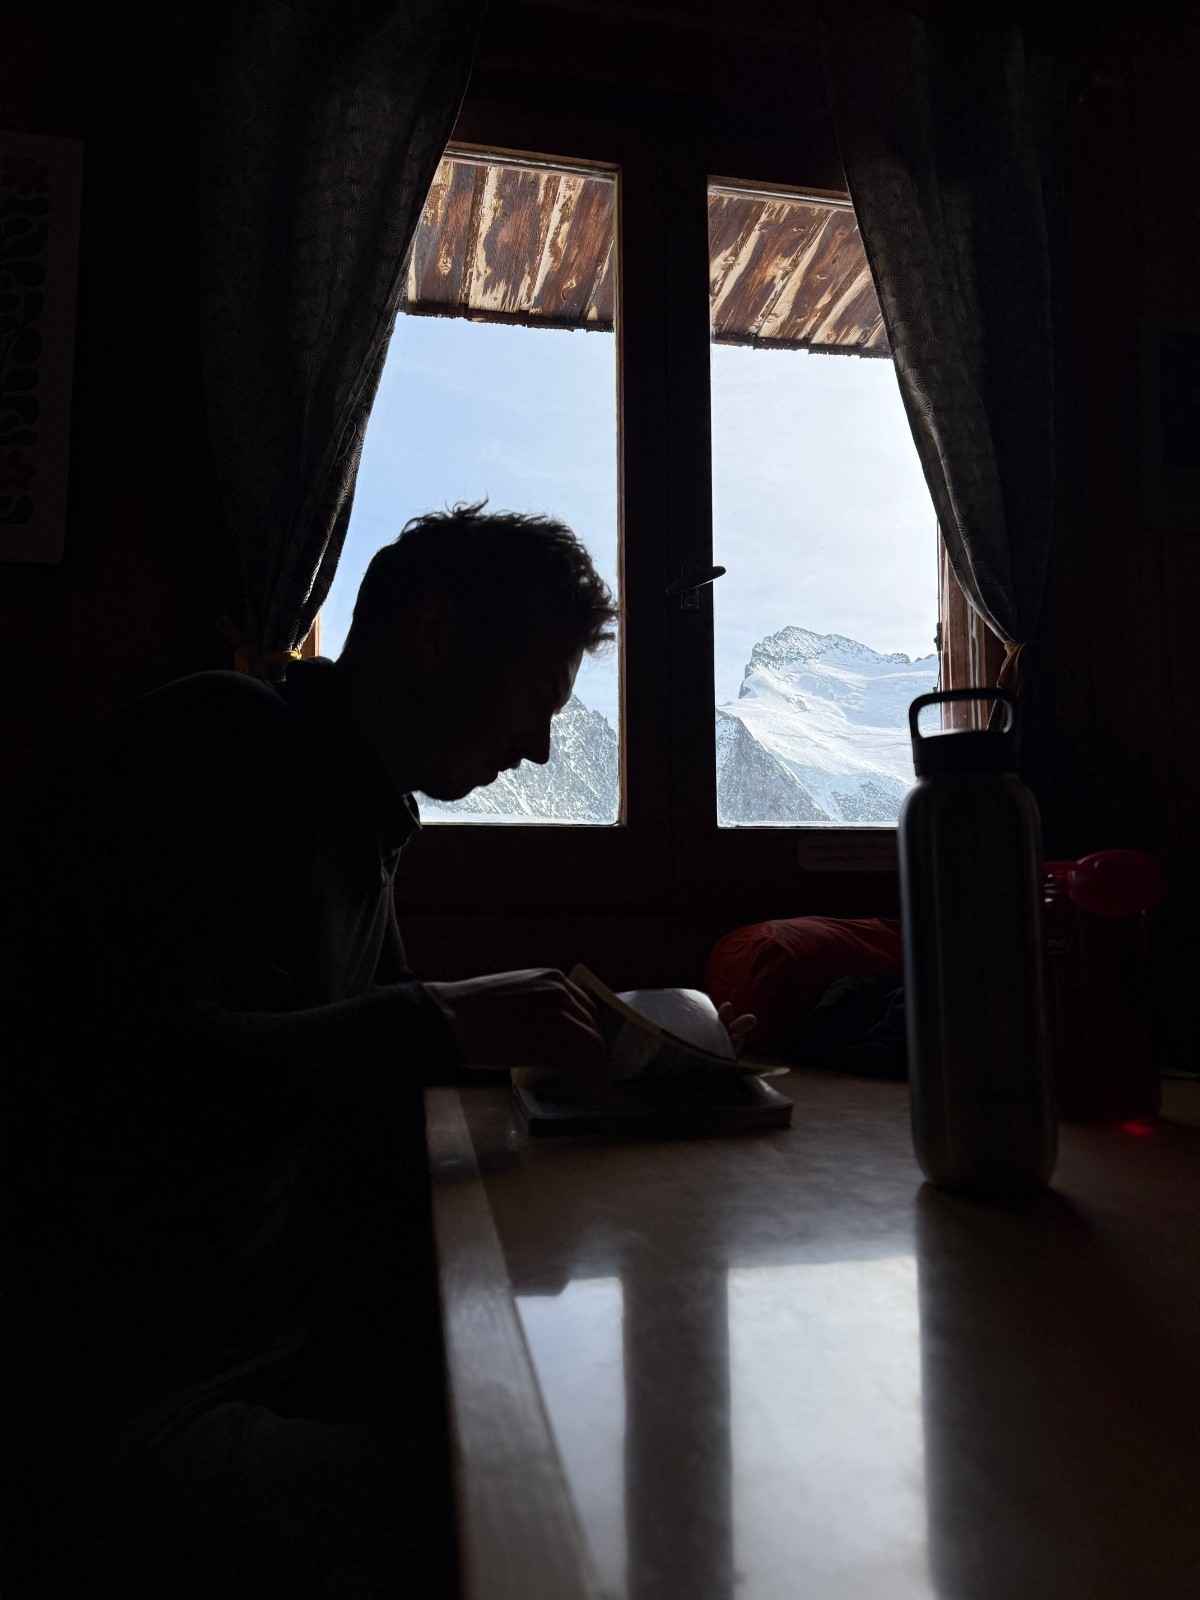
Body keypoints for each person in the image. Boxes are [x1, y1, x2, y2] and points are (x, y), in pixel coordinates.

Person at [0, 504, 629, 1598]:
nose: (534, 746)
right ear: (432, 632)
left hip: (245, 1340)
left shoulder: (357, 812)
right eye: (536, 697)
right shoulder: (224, 746)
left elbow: (364, 1046)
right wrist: (435, 1023)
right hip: (105, 1398)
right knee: (556, 1518)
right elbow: (106, 1069)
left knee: (557, 1419)